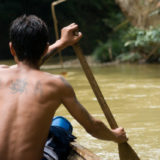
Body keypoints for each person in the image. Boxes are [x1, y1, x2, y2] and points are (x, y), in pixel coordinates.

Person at [0, 14, 128, 160]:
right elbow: (93, 127)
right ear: (45, 48)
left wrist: (62, 43)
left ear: (11, 48)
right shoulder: (57, 85)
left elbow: (24, 67)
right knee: (61, 123)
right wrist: (116, 136)